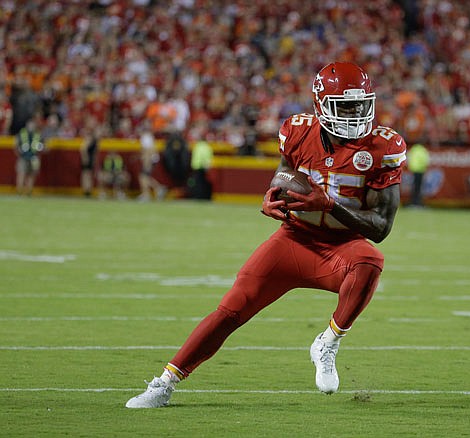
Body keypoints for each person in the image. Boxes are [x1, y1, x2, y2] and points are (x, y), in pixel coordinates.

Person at [125, 62, 407, 408]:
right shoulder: (297, 131)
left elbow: (381, 228)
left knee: (370, 261)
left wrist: (330, 204)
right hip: (294, 240)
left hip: (341, 249)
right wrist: (272, 194)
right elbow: (284, 174)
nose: (354, 114)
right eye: (344, 105)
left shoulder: (384, 147)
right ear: (321, 105)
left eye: (359, 105)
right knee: (230, 310)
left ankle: (328, 342)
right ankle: (164, 383)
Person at [14, 117, 45, 196]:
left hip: (34, 158)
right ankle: (19, 191)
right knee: (21, 173)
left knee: (32, 175)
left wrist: (40, 149)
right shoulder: (22, 134)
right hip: (23, 157)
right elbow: (16, 145)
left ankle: (29, 192)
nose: (31, 126)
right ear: (27, 125)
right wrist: (19, 154)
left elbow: (43, 147)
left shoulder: (38, 134)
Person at [137, 123, 167, 201]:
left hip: (150, 159)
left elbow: (148, 150)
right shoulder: (147, 137)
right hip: (152, 158)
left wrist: (147, 162)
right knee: (145, 177)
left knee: (143, 177)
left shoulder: (145, 137)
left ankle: (146, 194)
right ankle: (159, 188)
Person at [189, 131, 214, 200]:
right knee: (201, 183)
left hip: (196, 166)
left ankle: (198, 196)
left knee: (198, 183)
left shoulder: (197, 146)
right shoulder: (206, 147)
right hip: (202, 167)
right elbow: (206, 158)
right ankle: (201, 196)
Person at [80, 125, 102, 197]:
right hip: (87, 159)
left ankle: (88, 190)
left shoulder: (97, 141)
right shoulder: (90, 138)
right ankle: (86, 191)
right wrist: (85, 158)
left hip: (91, 159)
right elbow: (83, 148)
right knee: (86, 175)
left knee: (89, 175)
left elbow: (96, 152)